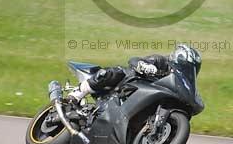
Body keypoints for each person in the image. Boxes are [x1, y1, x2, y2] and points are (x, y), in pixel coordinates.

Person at [68, 43, 201, 103]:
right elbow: (134, 60)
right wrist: (145, 66)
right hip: (126, 82)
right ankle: (76, 95)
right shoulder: (161, 61)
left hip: (138, 98)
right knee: (112, 73)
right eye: (185, 64)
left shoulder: (177, 84)